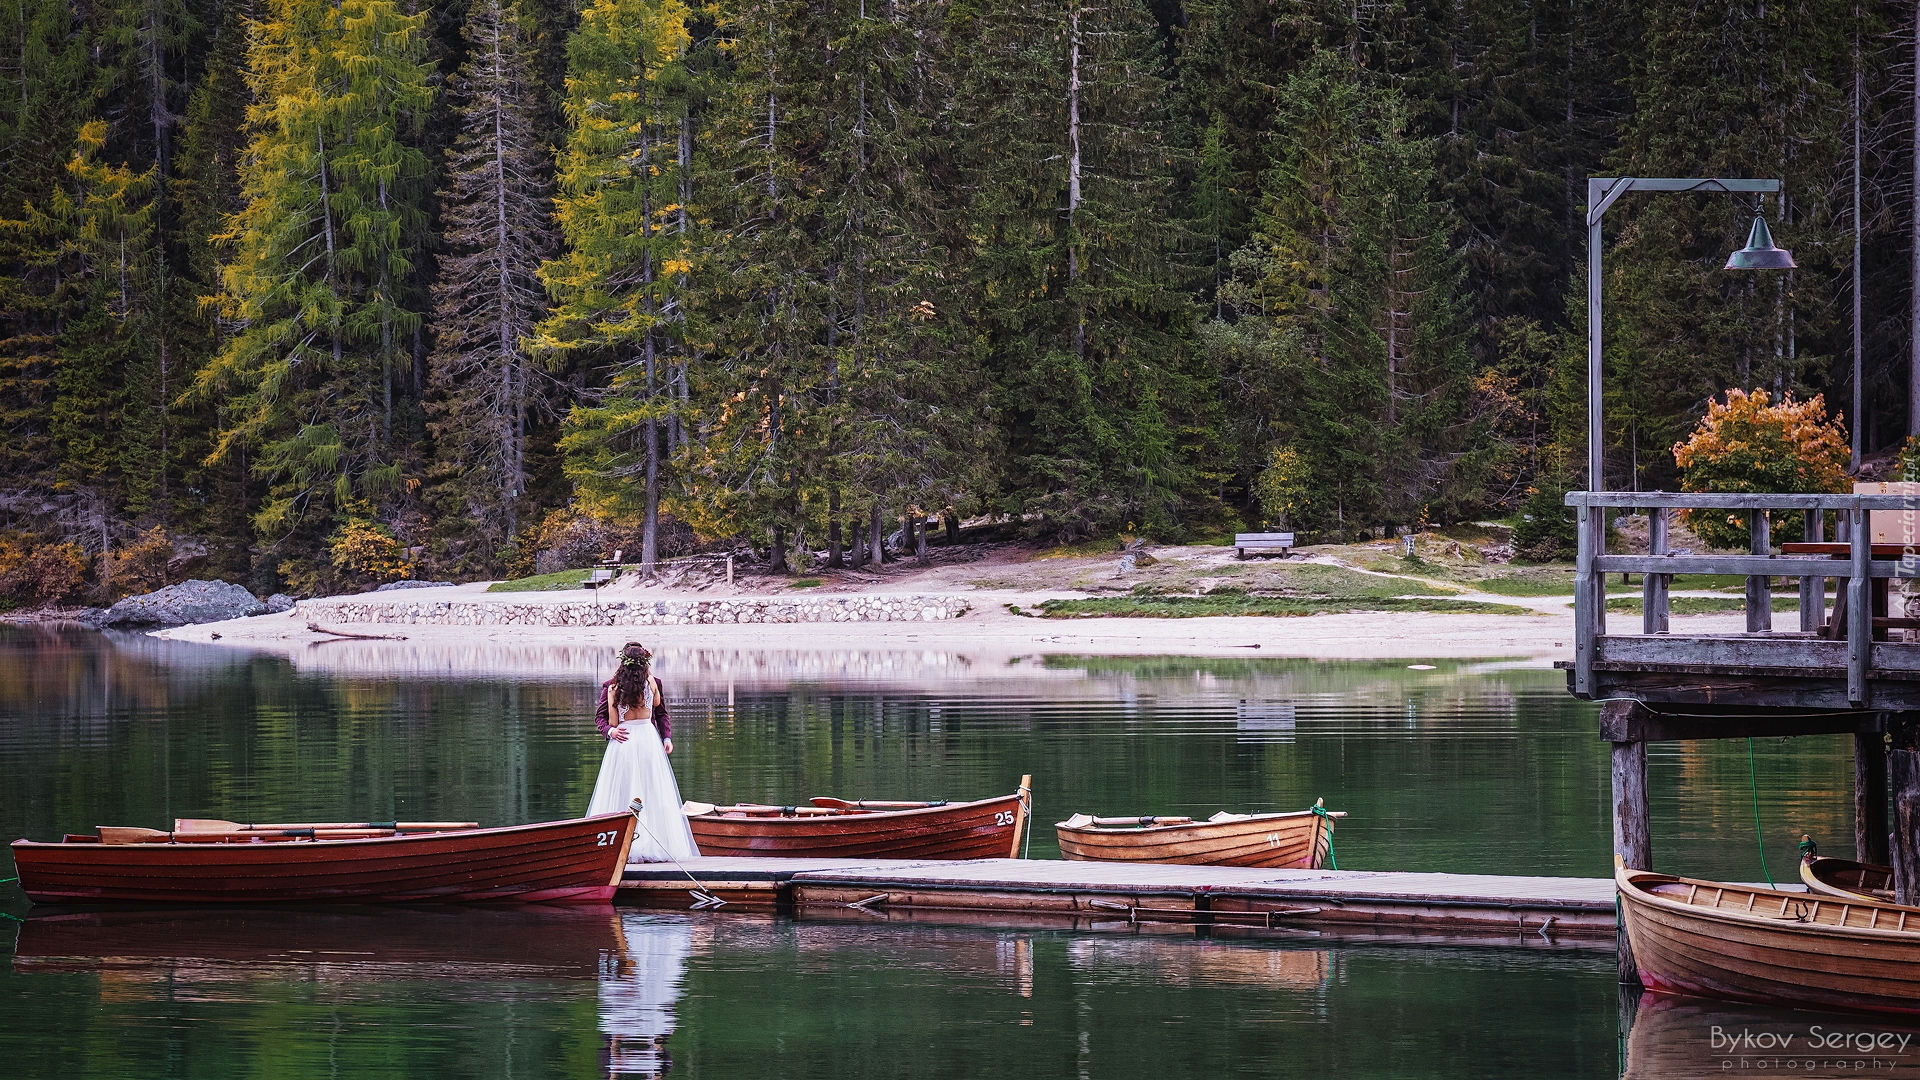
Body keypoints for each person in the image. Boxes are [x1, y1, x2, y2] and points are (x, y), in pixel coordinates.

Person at [586, 642, 699, 862]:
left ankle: (650, 842)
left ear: (623, 663)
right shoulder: (612, 686)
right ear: (645, 663)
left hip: (641, 742)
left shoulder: (649, 684)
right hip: (630, 740)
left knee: (650, 789)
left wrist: (667, 737)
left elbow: (661, 713)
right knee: (630, 789)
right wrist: (610, 731)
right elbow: (600, 719)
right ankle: (623, 843)